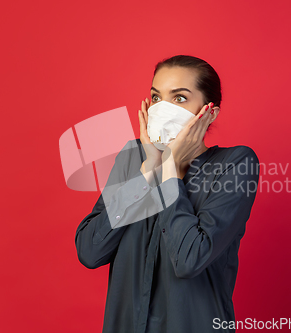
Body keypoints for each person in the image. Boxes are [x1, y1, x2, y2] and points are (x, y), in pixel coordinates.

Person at [75, 55, 260, 333]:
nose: (163, 109)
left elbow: (189, 259)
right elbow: (90, 251)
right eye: (156, 98)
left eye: (180, 98)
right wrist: (147, 173)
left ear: (210, 112)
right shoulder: (132, 159)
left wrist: (170, 168)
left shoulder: (235, 164)